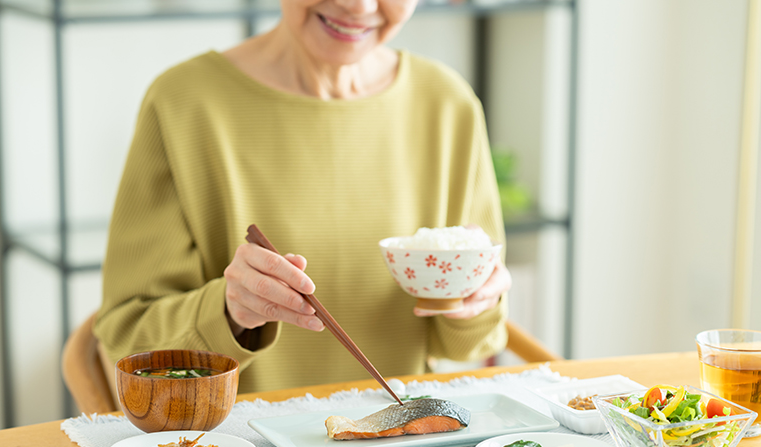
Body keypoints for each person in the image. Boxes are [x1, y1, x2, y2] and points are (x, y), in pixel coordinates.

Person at [94, 0, 513, 394]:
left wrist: (476, 301)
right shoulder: (183, 103)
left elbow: (469, 345)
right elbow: (126, 339)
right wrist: (228, 311)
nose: (360, 6)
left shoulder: (448, 104)